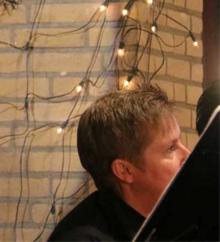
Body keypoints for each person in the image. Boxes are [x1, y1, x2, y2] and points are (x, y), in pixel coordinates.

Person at [49, 83, 190, 241]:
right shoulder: (80, 238)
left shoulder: (179, 213)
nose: (187, 155)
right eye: (171, 148)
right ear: (124, 170)